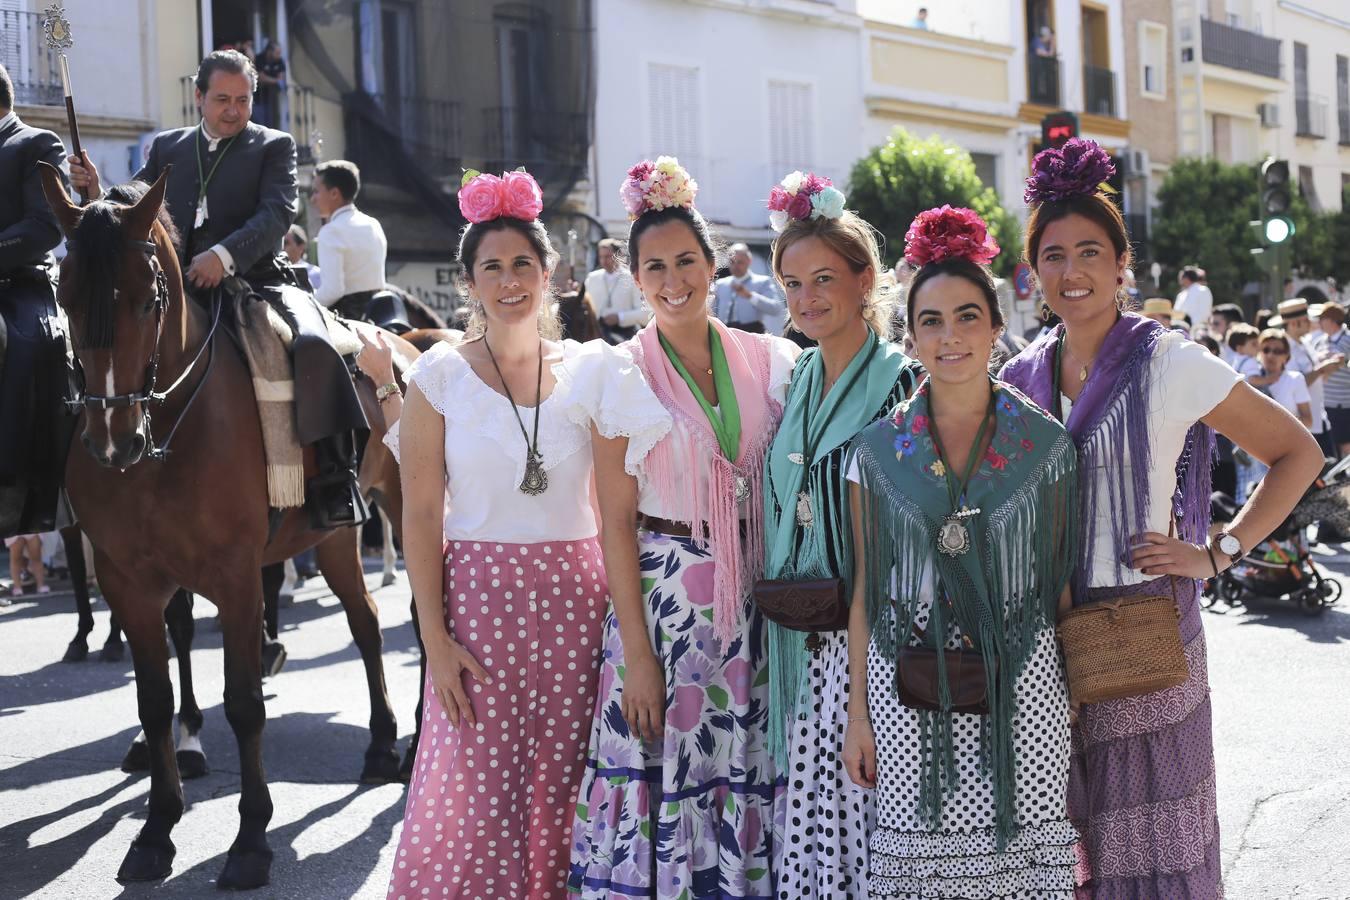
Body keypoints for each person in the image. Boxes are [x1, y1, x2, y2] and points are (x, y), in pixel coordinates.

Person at [1001, 138, 1322, 898]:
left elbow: (1296, 452)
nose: (1071, 272)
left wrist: (1220, 550)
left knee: (1152, 837)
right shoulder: (1018, 375)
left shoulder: (1171, 361)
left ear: (1122, 266)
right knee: (1067, 836)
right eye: (1053, 255)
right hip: (1046, 636)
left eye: (1088, 252)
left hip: (1143, 633)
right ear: (1033, 269)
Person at [386, 168, 670, 898]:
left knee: (568, 784)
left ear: (549, 276)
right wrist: (434, 641)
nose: (509, 280)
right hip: (479, 608)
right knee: (476, 791)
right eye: (492, 267)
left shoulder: (593, 371)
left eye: (523, 265)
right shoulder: (437, 379)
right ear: (468, 282)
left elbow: (617, 515)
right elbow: (420, 516)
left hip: (581, 608)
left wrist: (635, 641)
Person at [568, 157, 798, 898]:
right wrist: (637, 654)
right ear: (634, 278)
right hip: (665, 616)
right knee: (668, 776)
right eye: (655, 266)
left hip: (756, 612)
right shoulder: (617, 374)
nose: (673, 280)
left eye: (687, 261)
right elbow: (612, 527)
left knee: (747, 770)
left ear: (714, 264)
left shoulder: (767, 360)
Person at [844, 205, 1079, 898]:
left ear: (998, 327)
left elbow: (1056, 585)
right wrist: (858, 713)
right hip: (908, 693)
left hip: (1024, 692)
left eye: (967, 316)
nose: (950, 337)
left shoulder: (1046, 447)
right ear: (910, 337)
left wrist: (1072, 703)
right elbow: (865, 589)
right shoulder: (877, 453)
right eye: (932, 321)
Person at [69, 49, 368, 527]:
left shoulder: (274, 145)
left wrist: (224, 256)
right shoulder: (168, 146)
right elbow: (134, 211)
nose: (234, 109)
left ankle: (336, 478)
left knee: (318, 345)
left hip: (259, 281)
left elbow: (276, 214)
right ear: (199, 97)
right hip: (180, 286)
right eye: (223, 99)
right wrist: (95, 191)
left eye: (244, 100)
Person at [761, 173, 922, 898]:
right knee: (814, 822)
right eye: (793, 284)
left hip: (872, 638)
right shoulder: (797, 378)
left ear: (866, 281)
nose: (807, 298)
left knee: (869, 820)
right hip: (802, 633)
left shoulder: (903, 382)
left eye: (824, 278)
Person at [0, 63, 71, 537]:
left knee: (29, 349)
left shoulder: (36, 143)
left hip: (21, 283)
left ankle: (19, 482)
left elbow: (45, 226)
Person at [309, 160, 390, 318]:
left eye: (316, 191)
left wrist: (306, 305)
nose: (312, 199)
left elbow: (332, 291)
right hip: (380, 314)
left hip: (349, 318)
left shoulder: (331, 231)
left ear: (334, 194)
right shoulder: (373, 224)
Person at [1275, 297, 1341, 458]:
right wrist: (1321, 370)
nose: (1310, 323)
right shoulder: (1284, 349)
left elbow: (1313, 376)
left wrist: (1327, 366)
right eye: (1305, 320)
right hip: (1304, 425)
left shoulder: (1304, 342)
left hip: (1319, 419)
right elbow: (1294, 384)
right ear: (1293, 323)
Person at [712, 242, 787, 334]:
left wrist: (750, 296)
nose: (736, 266)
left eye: (740, 262)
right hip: (726, 334)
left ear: (749, 261)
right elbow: (713, 312)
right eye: (732, 262)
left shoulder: (762, 282)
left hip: (752, 333)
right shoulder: (721, 284)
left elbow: (775, 308)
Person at [584, 237, 649, 342]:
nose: (603, 261)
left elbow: (645, 314)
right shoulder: (592, 278)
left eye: (608, 256)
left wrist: (620, 317)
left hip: (625, 335)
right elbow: (585, 307)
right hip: (597, 334)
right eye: (601, 257)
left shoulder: (632, 278)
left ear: (618, 256)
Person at [1315, 302, 1350, 456]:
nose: (1319, 322)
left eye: (1322, 318)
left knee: (1346, 446)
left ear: (1331, 320)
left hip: (1344, 403)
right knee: (1333, 447)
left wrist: (1327, 363)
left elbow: (1338, 362)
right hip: (1325, 404)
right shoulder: (1320, 341)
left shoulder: (1348, 339)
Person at [253, 40, 286, 130]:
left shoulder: (279, 61)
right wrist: (276, 81)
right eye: (277, 53)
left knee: (271, 124)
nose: (279, 55)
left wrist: (270, 80)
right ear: (269, 52)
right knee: (259, 125)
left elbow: (281, 78)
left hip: (272, 99)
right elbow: (260, 77)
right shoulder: (259, 58)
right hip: (258, 98)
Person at [6, 533, 49, 599]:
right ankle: (17, 587)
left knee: (36, 556)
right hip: (15, 529)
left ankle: (41, 585)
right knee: (16, 558)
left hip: (32, 528)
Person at [283, 224, 321, 291]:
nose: (282, 248)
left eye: (286, 243)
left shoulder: (316, 275)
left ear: (301, 247)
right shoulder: (271, 275)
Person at [1208, 303, 1245, 367]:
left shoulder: (1245, 349)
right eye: (1211, 324)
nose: (1212, 328)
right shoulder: (1216, 345)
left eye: (1216, 324)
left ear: (1232, 325)